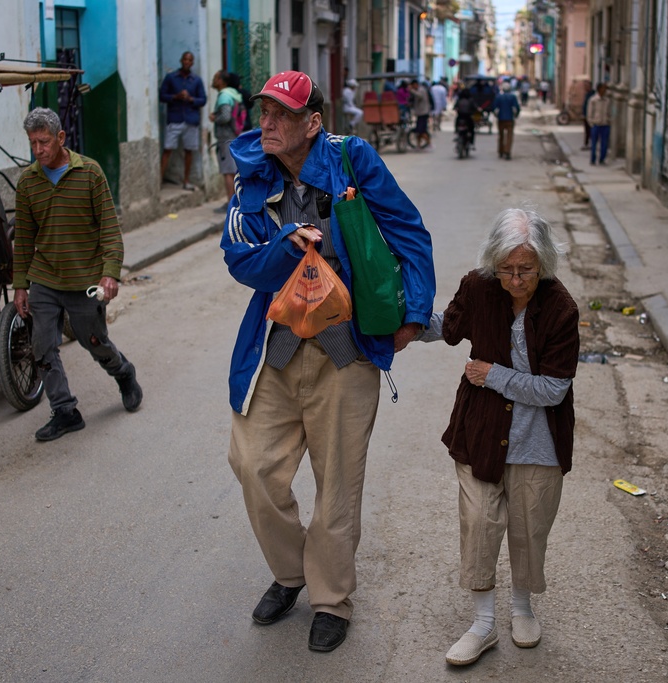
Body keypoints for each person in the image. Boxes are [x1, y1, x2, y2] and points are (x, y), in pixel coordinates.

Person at [220, 70, 435, 653]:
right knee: (254, 466)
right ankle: (292, 573)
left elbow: (409, 232)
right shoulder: (254, 177)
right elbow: (238, 261)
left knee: (337, 485)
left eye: (283, 115)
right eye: (263, 111)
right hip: (277, 348)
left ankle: (330, 598)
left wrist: (412, 316)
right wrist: (282, 246)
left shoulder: (352, 161)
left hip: (347, 349)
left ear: (312, 123)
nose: (267, 123)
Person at [419, 208, 579, 667]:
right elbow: (447, 327)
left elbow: (553, 389)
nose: (514, 279)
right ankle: (483, 624)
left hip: (539, 442)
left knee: (530, 528)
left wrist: (494, 375)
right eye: (506, 269)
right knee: (479, 523)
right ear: (493, 262)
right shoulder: (478, 286)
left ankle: (523, 609)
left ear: (543, 264)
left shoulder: (561, 308)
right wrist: (400, 325)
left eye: (525, 270)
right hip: (481, 432)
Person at [12, 107, 143, 442]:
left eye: (43, 142)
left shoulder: (90, 173)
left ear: (60, 138)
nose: (38, 150)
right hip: (45, 278)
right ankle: (65, 410)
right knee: (42, 347)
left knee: (94, 341)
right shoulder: (28, 182)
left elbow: (110, 231)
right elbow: (24, 238)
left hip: (85, 279)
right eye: (32, 143)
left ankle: (123, 372)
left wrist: (109, 274)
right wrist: (20, 286)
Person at [159, 51, 207, 190]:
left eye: (190, 60)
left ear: (192, 63)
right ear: (181, 60)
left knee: (189, 151)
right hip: (174, 119)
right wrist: (176, 96)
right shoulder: (171, 78)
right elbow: (162, 96)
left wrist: (190, 99)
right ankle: (159, 181)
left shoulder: (196, 80)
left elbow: (203, 100)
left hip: (191, 119)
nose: (187, 62)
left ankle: (186, 181)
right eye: (185, 59)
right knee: (167, 149)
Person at [209, 70, 244, 207]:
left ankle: (231, 203)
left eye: (216, 78)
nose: (213, 80)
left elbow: (225, 116)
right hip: (235, 135)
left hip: (226, 137)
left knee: (228, 171)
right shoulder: (234, 94)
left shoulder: (224, 96)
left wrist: (214, 118)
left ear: (221, 81)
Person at [491, 82, 521, 160]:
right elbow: (516, 108)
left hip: (501, 119)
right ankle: (507, 151)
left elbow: (494, 108)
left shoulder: (499, 97)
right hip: (510, 119)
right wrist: (516, 115)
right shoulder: (512, 97)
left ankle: (501, 151)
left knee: (501, 136)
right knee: (509, 136)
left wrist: (496, 115)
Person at [587, 82, 611, 165]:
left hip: (605, 125)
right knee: (594, 143)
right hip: (596, 125)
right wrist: (591, 123)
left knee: (604, 144)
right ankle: (593, 159)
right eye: (603, 88)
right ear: (599, 89)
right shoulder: (593, 100)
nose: (604, 90)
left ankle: (602, 159)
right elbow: (589, 113)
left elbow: (611, 111)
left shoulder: (607, 100)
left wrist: (609, 120)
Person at [409, 79, 432, 146]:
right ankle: (418, 145)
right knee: (418, 131)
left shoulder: (421, 90)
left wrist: (411, 90)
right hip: (420, 113)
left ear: (415, 84)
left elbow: (420, 96)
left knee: (421, 131)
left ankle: (429, 143)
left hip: (423, 113)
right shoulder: (418, 90)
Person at [581, 79, 594, 150]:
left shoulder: (592, 95)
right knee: (587, 131)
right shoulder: (587, 94)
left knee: (590, 131)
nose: (585, 87)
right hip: (586, 116)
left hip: (590, 116)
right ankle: (586, 144)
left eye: (586, 86)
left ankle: (591, 144)